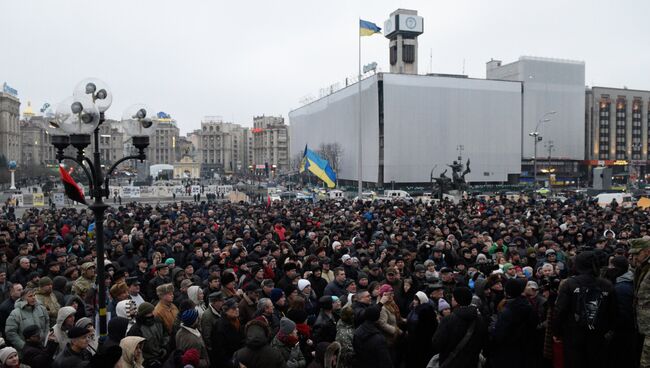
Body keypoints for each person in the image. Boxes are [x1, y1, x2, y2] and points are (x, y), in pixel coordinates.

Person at [554, 250, 617, 368]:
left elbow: (560, 310)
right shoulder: (606, 285)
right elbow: (614, 312)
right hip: (598, 335)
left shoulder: (569, 284)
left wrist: (557, 332)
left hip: (574, 336)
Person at [431, 287, 487, 367]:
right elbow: (484, 342)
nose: (452, 299)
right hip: (472, 363)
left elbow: (437, 343)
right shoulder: (479, 319)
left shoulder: (448, 320)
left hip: (451, 363)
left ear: (457, 300)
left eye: (453, 297)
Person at [491, 278, 539, 366]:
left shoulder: (511, 308)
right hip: (518, 352)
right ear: (521, 291)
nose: (531, 287)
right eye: (527, 285)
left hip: (513, 352)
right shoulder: (523, 307)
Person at [127, 302, 169, 366]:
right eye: (150, 312)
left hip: (162, 357)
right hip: (147, 362)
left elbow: (165, 335)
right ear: (144, 314)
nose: (153, 314)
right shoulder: (136, 329)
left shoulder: (158, 321)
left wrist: (164, 348)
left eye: (152, 311)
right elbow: (135, 349)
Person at [631, 237, 650, 366]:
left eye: (637, 253)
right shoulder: (642, 268)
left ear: (647, 252)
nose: (634, 257)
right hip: (643, 328)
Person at [405, 291, 437, 368]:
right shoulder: (414, 309)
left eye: (416, 300)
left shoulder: (425, 311)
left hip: (420, 343)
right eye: (414, 299)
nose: (414, 301)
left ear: (421, 300)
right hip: (412, 340)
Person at [210, 298, 244, 368]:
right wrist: (233, 364)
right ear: (226, 311)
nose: (237, 309)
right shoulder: (220, 326)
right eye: (234, 308)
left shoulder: (236, 320)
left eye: (237, 307)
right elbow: (219, 352)